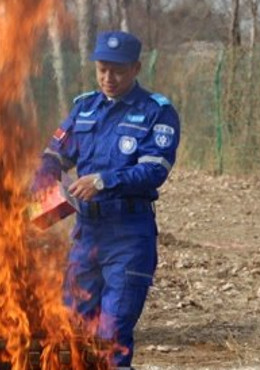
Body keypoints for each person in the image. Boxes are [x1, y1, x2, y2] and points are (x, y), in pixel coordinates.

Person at [33, 31, 181, 368]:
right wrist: (43, 179)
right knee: (73, 330)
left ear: (136, 68)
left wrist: (104, 180)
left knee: (110, 335)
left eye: (117, 71)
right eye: (101, 70)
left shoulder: (156, 112)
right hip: (87, 235)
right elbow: (56, 154)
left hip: (128, 236)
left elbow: (154, 171)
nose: (107, 79)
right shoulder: (85, 107)